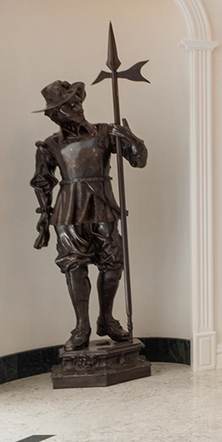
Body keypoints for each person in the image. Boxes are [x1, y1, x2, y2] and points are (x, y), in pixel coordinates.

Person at [31, 80, 148, 351]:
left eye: (76, 102)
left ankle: (106, 318)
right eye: (66, 106)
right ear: (54, 115)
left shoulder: (105, 133)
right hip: (68, 210)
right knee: (74, 265)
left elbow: (139, 161)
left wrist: (131, 138)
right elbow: (42, 183)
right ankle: (81, 325)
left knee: (113, 262)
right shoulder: (49, 145)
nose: (75, 108)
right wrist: (43, 220)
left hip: (102, 205)